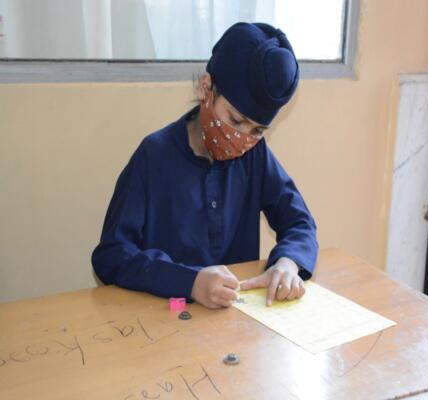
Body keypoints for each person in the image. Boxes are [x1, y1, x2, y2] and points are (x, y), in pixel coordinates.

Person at [91, 22, 318, 309]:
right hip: (166, 318)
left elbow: (299, 222)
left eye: (257, 130)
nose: (242, 138)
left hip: (234, 318)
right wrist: (189, 282)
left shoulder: (255, 156)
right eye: (236, 120)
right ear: (206, 88)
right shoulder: (154, 156)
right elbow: (111, 255)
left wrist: (288, 262)